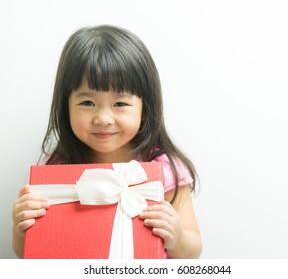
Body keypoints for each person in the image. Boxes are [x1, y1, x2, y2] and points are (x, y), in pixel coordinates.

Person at [12, 25, 202, 259]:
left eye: (120, 104)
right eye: (88, 103)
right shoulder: (55, 167)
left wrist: (178, 237)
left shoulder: (166, 168)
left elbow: (193, 251)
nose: (103, 119)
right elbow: (29, 254)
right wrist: (21, 228)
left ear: (145, 109)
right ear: (66, 106)